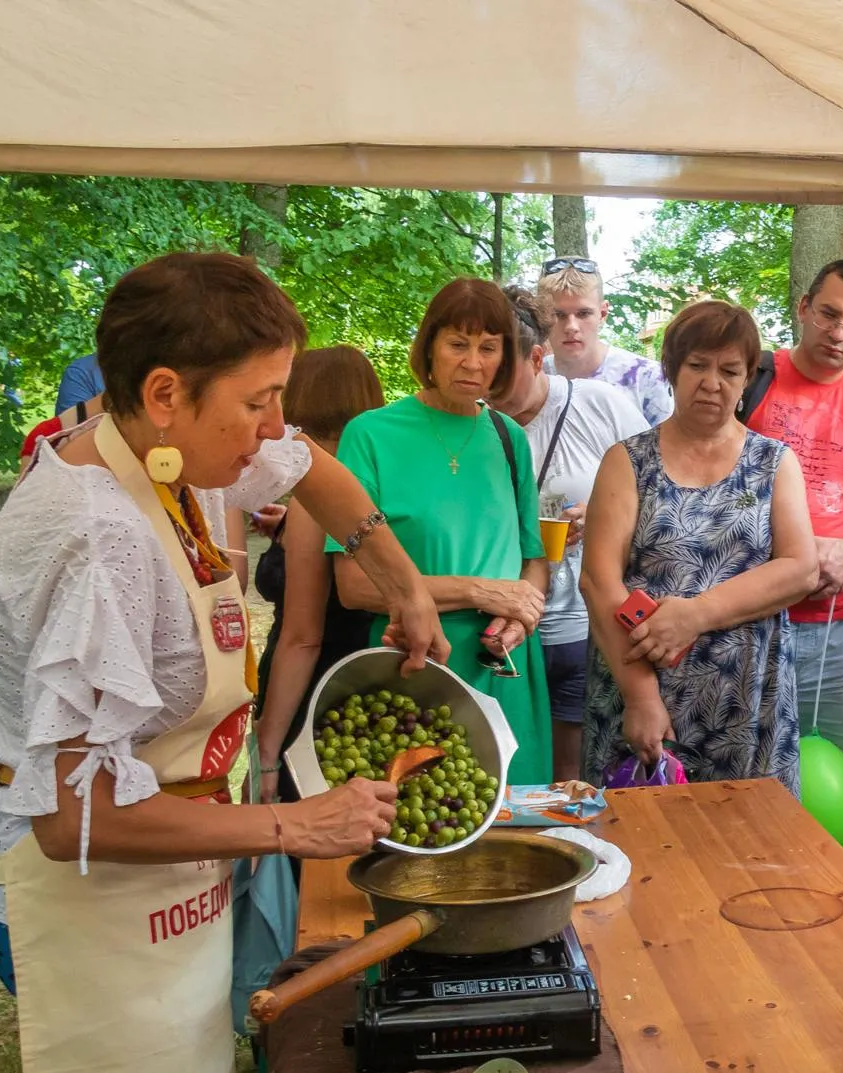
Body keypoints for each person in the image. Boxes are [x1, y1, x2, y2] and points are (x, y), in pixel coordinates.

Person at [0, 252, 444, 1073]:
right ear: (165, 394)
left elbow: (308, 462)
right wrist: (294, 826)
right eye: (258, 400)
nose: (274, 425)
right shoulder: (96, 540)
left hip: (176, 883)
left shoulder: (173, 451)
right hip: (96, 905)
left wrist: (400, 579)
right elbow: (75, 817)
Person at [579, 300, 817, 790]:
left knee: (749, 856)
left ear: (748, 376)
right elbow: (599, 581)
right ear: (671, 368)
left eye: (730, 370)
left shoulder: (773, 462)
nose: (712, 382)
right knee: (639, 851)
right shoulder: (628, 461)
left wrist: (697, 613)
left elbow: (800, 569)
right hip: (644, 705)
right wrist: (641, 698)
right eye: (697, 365)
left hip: (749, 706)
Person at [329, 278, 554, 784]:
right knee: (428, 821)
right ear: (428, 347)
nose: (473, 363)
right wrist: (480, 591)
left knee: (518, 831)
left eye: (489, 348)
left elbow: (532, 561)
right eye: (458, 344)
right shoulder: (370, 434)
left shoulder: (508, 437)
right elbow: (355, 585)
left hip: (504, 665)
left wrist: (522, 617)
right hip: (416, 666)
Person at [740, 259, 843, 872]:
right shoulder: (750, 379)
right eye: (828, 314)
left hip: (842, 628)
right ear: (804, 307)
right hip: (750, 623)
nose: (838, 332)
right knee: (750, 784)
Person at [492, 285, 649, 783]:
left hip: (584, 630)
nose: (485, 380)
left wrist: (605, 519)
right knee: (505, 771)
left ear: (537, 357)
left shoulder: (600, 405)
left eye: (501, 366)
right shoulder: (469, 424)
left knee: (572, 778)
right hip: (500, 632)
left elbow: (657, 494)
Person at [251, 346, 385, 803]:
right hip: (363, 690)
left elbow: (302, 637)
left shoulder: (315, 500)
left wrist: (266, 750)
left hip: (308, 694)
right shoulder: (374, 484)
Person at [534, 256, 674, 426]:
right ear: (541, 317)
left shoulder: (647, 378)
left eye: (583, 313)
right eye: (558, 315)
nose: (571, 326)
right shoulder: (531, 378)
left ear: (602, 313)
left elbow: (669, 449)